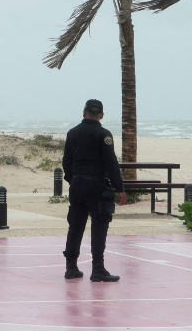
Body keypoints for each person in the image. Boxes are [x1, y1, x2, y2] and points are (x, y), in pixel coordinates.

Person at [62, 99, 126, 282]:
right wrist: (119, 187)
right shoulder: (103, 134)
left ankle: (71, 267)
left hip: (77, 185)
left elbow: (67, 161)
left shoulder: (72, 133)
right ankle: (97, 269)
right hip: (97, 186)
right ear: (101, 116)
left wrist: (72, 179)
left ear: (84, 112)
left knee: (75, 226)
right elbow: (111, 162)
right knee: (99, 227)